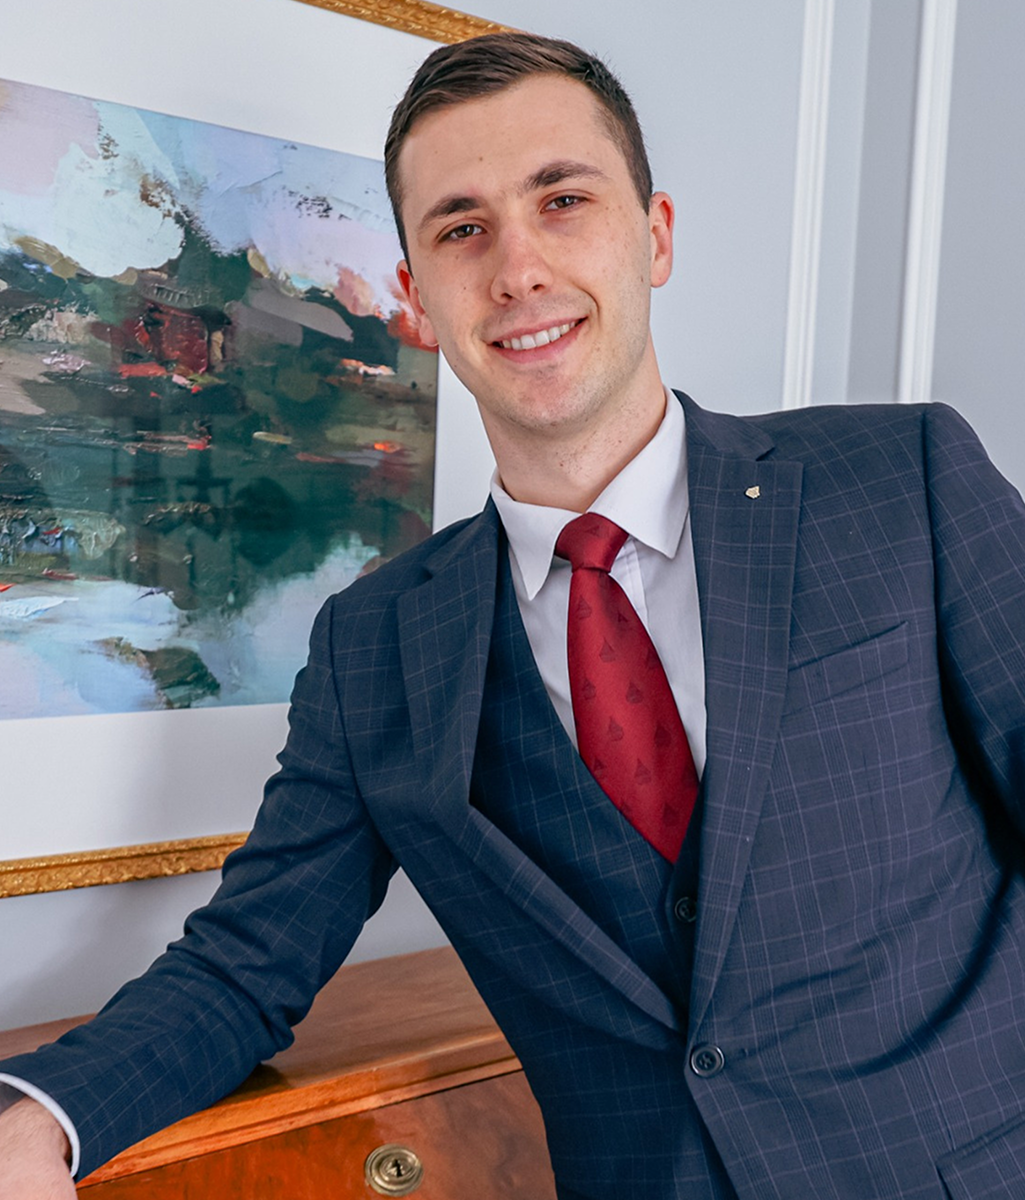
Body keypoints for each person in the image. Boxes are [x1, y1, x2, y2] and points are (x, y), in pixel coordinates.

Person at [3, 30, 1025, 1200]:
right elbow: (247, 965)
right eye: (461, 229)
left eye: (562, 201)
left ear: (654, 236)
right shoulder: (371, 647)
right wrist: (42, 1124)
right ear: (414, 298)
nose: (516, 270)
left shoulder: (899, 479)